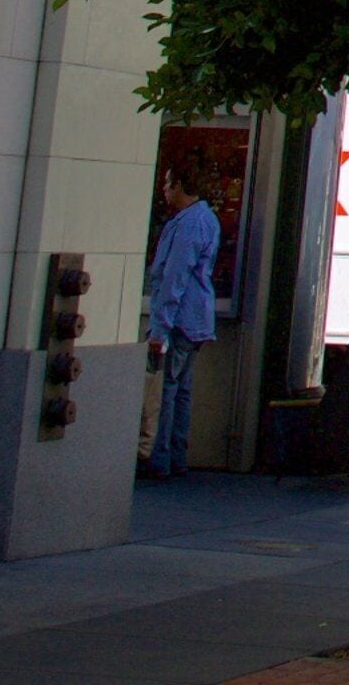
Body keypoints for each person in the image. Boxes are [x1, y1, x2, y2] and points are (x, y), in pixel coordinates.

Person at [140, 160, 219, 480]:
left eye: (168, 183)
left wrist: (160, 327)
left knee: (166, 390)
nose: (164, 189)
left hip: (179, 319)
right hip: (197, 318)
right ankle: (177, 455)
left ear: (180, 186)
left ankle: (158, 457)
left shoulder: (187, 224)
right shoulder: (206, 218)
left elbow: (174, 276)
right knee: (182, 389)